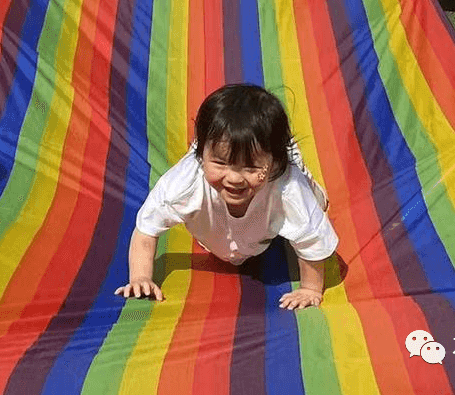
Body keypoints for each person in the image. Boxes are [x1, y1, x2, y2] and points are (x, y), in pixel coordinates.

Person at [115, 83, 336, 309]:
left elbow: (313, 239)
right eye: (220, 163)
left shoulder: (286, 188)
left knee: (312, 205)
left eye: (250, 167)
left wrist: (310, 288)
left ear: (274, 164)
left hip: (268, 222)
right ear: (200, 154)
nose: (234, 178)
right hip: (221, 236)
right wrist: (140, 277)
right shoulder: (185, 183)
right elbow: (146, 229)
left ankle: (293, 159)